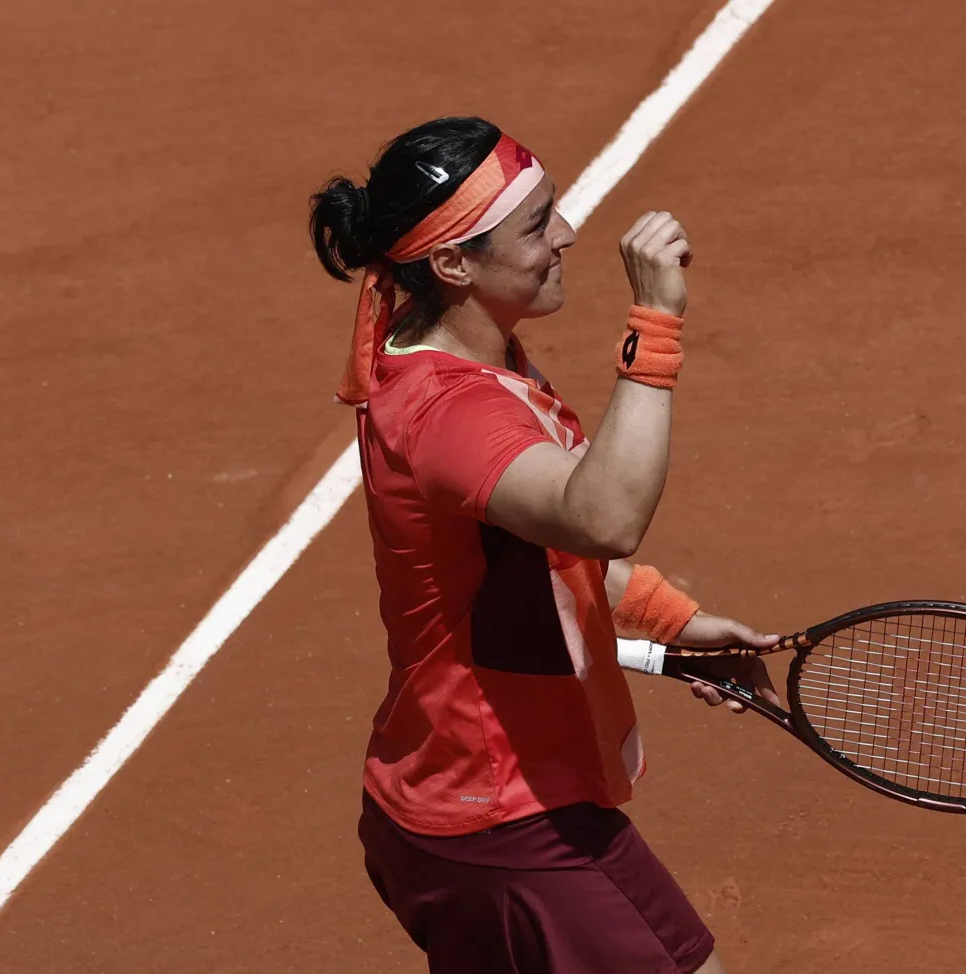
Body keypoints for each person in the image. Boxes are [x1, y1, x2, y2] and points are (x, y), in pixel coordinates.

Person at [308, 115, 777, 974]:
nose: (566, 235)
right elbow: (602, 519)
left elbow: (530, 565)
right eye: (536, 226)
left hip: (476, 813)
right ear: (454, 265)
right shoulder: (452, 412)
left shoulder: (476, 364)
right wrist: (656, 328)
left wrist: (669, 620)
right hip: (506, 821)